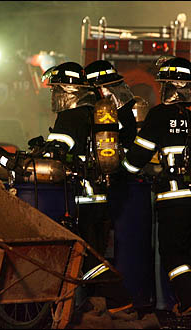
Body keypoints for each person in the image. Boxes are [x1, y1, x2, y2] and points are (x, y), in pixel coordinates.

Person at [122, 57, 191, 317]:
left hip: (174, 197)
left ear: (170, 86)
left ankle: (189, 300)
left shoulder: (160, 115)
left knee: (172, 252)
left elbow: (138, 157)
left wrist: (125, 170)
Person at [41, 62, 136, 317]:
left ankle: (119, 299)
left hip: (79, 198)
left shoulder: (70, 116)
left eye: (57, 89)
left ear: (69, 90)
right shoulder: (96, 111)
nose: (55, 95)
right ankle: (91, 305)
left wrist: (41, 150)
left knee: (85, 256)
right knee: (94, 250)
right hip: (101, 196)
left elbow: (56, 152)